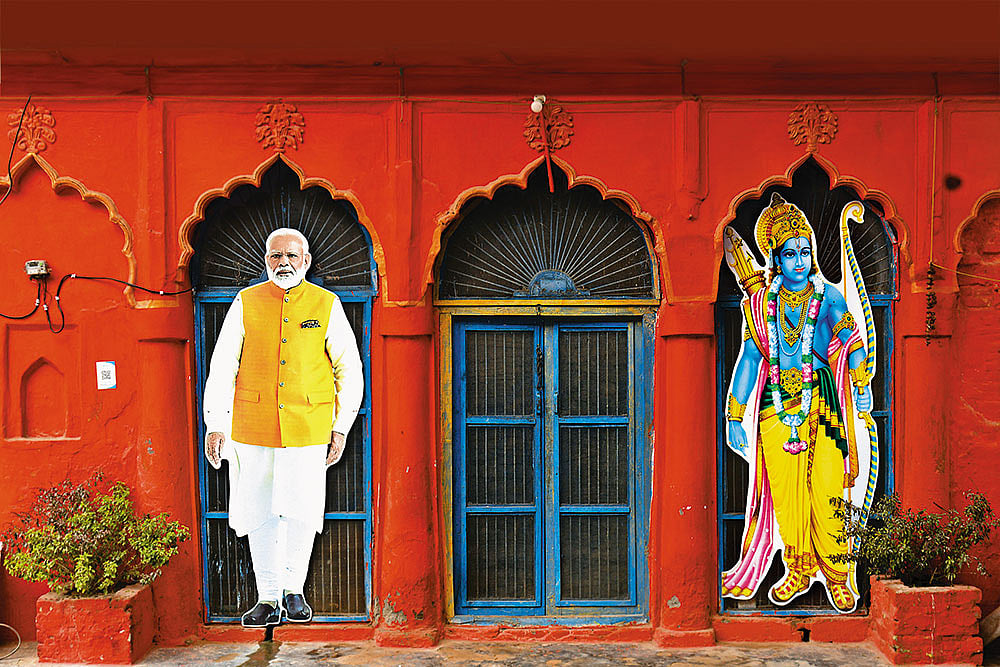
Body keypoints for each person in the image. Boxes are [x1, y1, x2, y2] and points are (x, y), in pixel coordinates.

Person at [203, 227, 364, 627]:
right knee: (258, 512)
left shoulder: (327, 304)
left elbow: (350, 370)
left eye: (292, 256)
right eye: (276, 256)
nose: (284, 263)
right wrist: (215, 424)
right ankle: (267, 596)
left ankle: (294, 592)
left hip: (308, 427)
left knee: (300, 511)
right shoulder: (246, 302)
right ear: (266, 261)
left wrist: (340, 427)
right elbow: (223, 366)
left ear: (307, 261)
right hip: (251, 426)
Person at [721, 194, 873, 613]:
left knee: (827, 489)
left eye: (806, 251)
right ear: (775, 257)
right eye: (791, 254)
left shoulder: (827, 299)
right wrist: (734, 412)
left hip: (820, 400)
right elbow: (751, 360)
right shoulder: (761, 306)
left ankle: (839, 577)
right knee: (787, 497)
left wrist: (860, 381)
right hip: (774, 405)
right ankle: (799, 569)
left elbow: (852, 342)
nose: (801, 261)